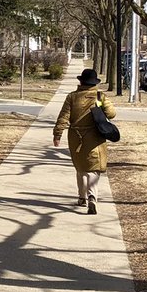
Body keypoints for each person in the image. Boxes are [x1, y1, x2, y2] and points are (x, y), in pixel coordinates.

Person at [53, 68, 117, 213]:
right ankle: (92, 197)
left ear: (81, 81)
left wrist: (57, 135)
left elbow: (63, 117)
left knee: (80, 167)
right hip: (95, 136)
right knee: (93, 168)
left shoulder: (72, 97)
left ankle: (81, 197)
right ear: (95, 83)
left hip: (76, 136)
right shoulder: (100, 97)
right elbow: (112, 114)